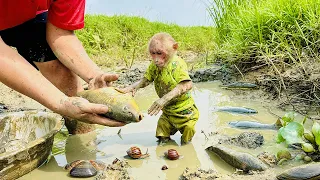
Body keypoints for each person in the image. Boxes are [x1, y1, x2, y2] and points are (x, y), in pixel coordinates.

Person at [0, 0, 125, 134]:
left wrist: (94, 75)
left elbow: (61, 34)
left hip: (30, 17)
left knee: (65, 78)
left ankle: (84, 143)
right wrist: (60, 102)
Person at [119, 32, 199, 144]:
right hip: (167, 112)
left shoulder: (177, 64)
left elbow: (186, 85)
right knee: (162, 134)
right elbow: (146, 80)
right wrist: (132, 88)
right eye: (153, 54)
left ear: (174, 48)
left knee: (187, 136)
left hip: (185, 111)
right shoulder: (154, 65)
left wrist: (164, 99)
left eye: (160, 53)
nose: (156, 59)